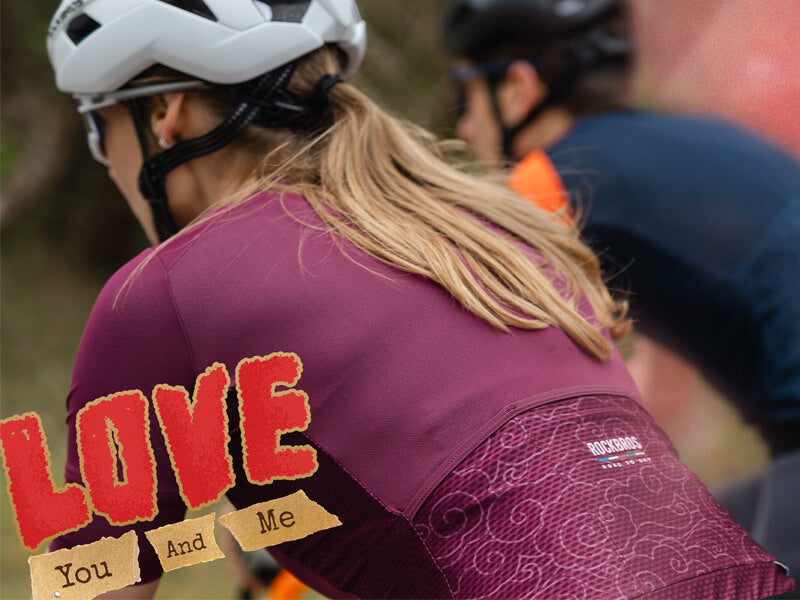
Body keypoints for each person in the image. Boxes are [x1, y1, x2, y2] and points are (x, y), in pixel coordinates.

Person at [45, 0, 795, 598]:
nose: (105, 156)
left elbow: (95, 583)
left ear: (165, 111)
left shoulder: (162, 292)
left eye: (97, 125)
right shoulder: (490, 229)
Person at [441, 0, 800, 578]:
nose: (463, 126)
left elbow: (470, 364)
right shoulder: (699, 143)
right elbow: (662, 376)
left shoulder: (552, 181)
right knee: (671, 564)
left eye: (466, 96)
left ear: (517, 88)